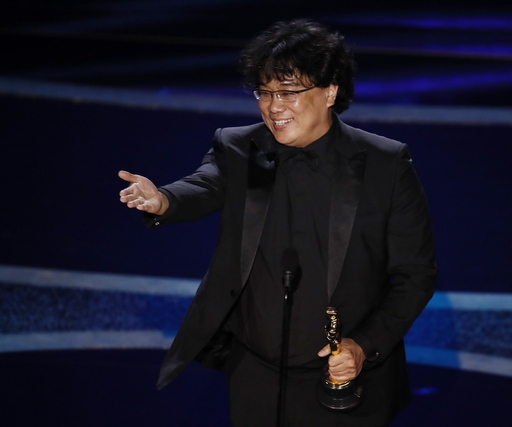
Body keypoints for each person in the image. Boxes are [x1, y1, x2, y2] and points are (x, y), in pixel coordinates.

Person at [119, 19, 437, 427]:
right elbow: (206, 184)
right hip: (255, 371)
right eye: (265, 93)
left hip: (344, 376)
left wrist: (363, 346)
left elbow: (416, 275)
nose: (273, 106)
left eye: (288, 92)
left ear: (330, 92)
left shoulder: (385, 164)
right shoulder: (240, 147)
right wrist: (164, 200)